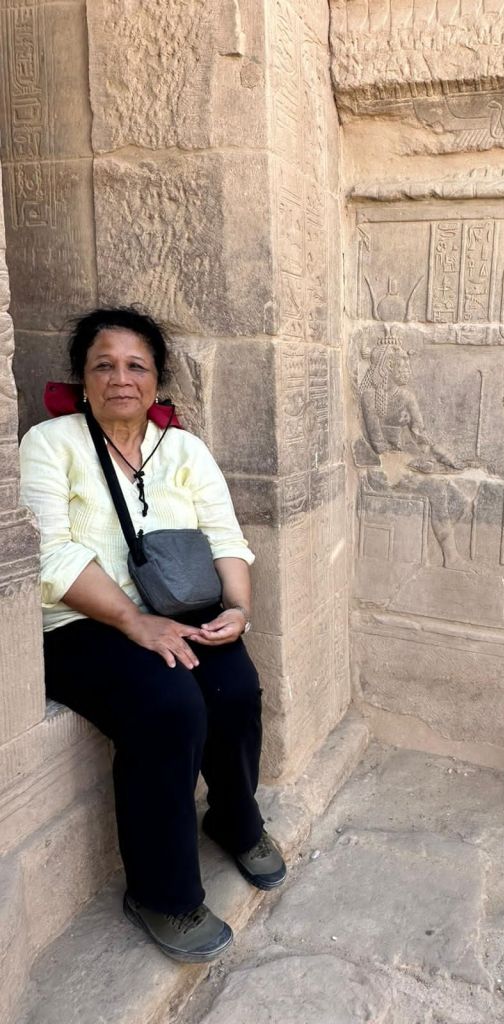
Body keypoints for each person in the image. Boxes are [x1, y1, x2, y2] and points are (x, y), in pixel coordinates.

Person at [19, 308, 285, 963]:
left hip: (179, 607)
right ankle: (161, 894)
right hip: (83, 622)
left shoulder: (184, 449)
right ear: (82, 378)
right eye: (103, 365)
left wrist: (238, 610)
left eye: (135, 366)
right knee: (169, 706)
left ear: (156, 379)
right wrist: (132, 620)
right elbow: (52, 554)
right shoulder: (50, 444)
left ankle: (233, 818)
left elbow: (225, 536)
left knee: (233, 687)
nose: (120, 378)